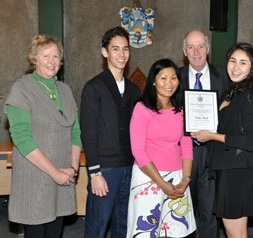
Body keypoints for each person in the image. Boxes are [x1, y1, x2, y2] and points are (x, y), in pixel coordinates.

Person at [4, 34, 82, 238]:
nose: (52, 61)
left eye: (56, 57)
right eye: (46, 55)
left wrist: (72, 169)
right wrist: (54, 172)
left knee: (55, 232)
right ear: (34, 59)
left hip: (63, 174)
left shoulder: (65, 90)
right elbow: (21, 138)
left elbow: (75, 132)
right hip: (35, 175)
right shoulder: (22, 89)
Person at [191, 43, 253, 238]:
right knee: (231, 232)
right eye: (232, 61)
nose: (236, 67)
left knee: (236, 233)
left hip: (237, 172)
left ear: (252, 68)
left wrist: (211, 136)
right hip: (225, 169)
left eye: (243, 62)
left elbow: (250, 142)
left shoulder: (251, 96)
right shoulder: (230, 92)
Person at [80, 26, 141, 238]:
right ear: (104, 52)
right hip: (105, 170)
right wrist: (94, 172)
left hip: (129, 168)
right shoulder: (93, 88)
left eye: (125, 49)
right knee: (97, 228)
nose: (121, 54)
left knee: (123, 228)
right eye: (115, 49)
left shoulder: (134, 90)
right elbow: (88, 133)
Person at [127, 59, 196, 238]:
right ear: (154, 81)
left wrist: (186, 179)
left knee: (175, 232)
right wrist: (161, 183)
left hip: (177, 179)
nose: (169, 83)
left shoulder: (181, 109)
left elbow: (187, 145)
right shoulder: (142, 108)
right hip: (149, 178)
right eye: (163, 78)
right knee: (147, 233)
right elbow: (138, 151)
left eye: (173, 78)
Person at [179, 29, 229, 238]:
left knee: (209, 212)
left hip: (213, 151)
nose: (196, 51)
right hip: (184, 153)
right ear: (184, 51)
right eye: (191, 46)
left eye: (201, 46)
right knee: (182, 212)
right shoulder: (174, 77)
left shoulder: (225, 76)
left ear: (208, 49)